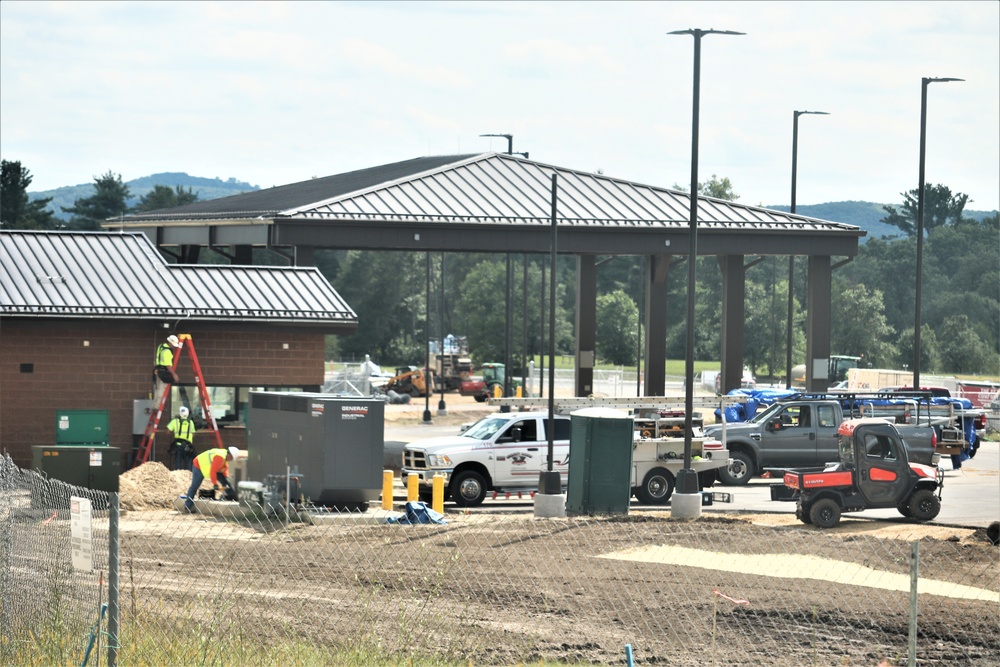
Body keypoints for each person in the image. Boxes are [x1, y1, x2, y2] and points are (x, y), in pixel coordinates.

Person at [182, 446, 240, 512]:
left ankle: (232, 496)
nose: (231, 460)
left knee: (225, 481)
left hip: (208, 468)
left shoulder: (225, 456)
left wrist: (226, 477)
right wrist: (215, 484)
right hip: (199, 466)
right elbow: (213, 471)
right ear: (230, 455)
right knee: (194, 486)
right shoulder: (220, 457)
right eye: (232, 458)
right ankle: (187, 507)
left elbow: (225, 468)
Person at [166, 406, 196, 471]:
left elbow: (168, 432)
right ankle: (188, 478)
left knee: (177, 462)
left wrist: (174, 434)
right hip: (187, 446)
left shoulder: (175, 421)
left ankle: (177, 477)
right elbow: (193, 434)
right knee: (188, 463)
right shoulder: (191, 422)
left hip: (178, 445)